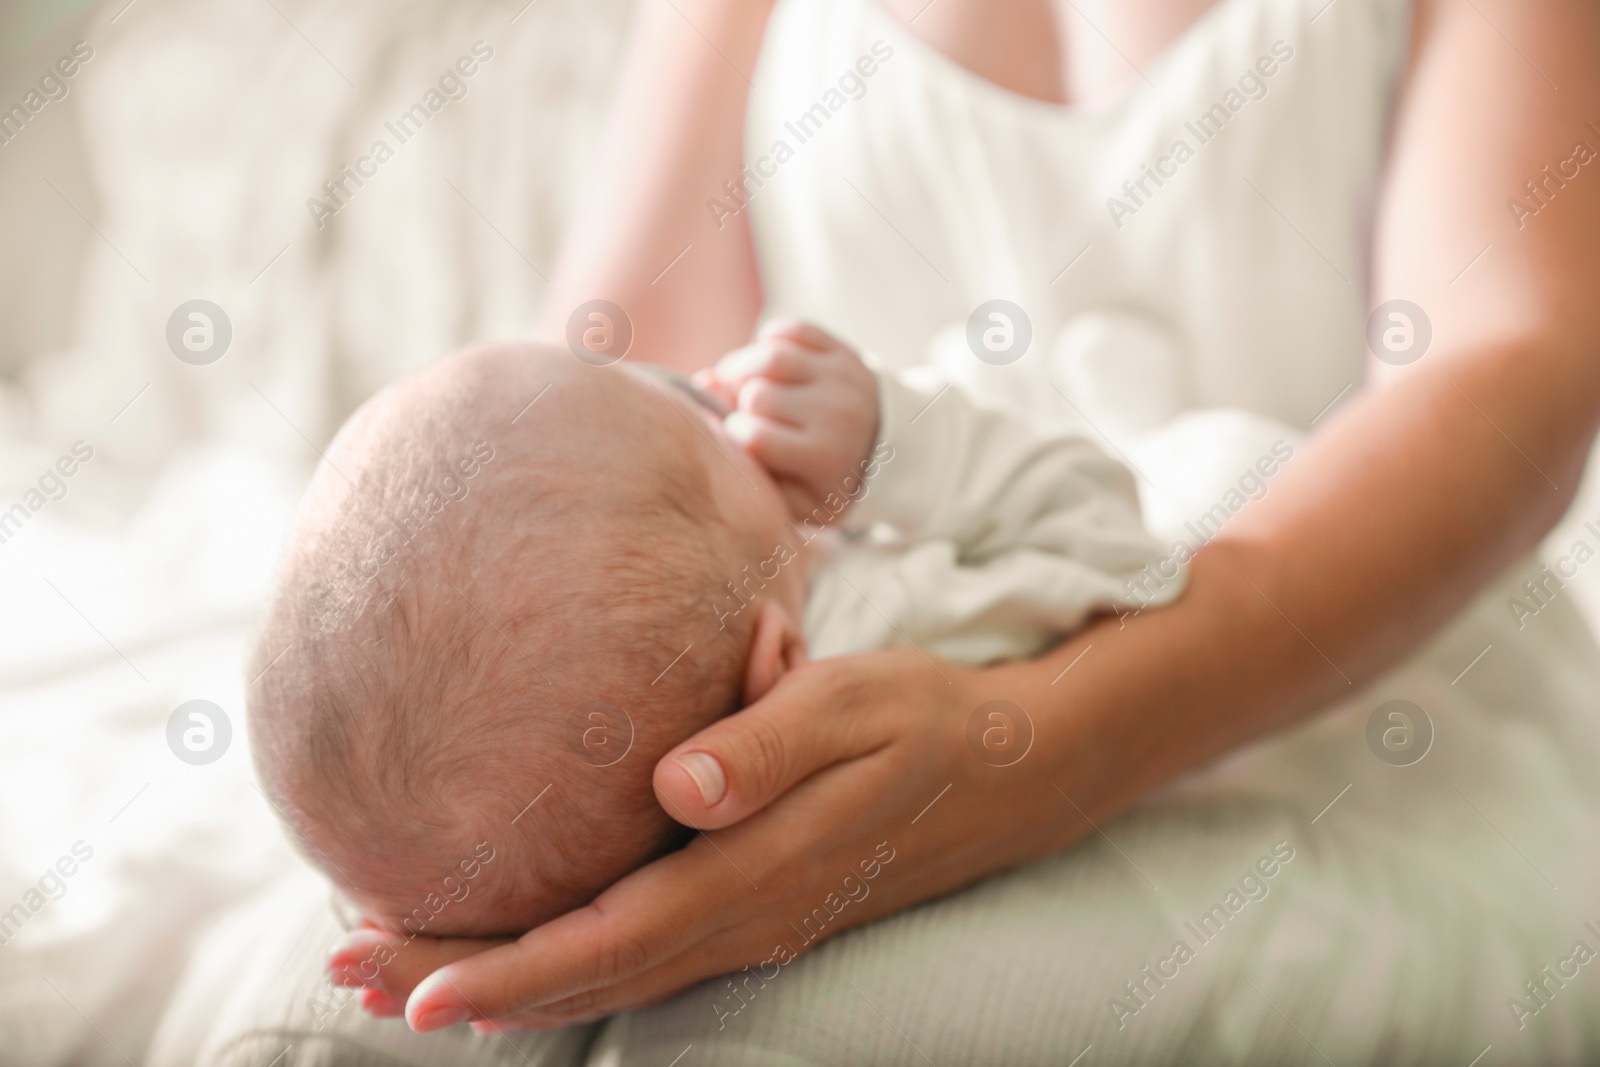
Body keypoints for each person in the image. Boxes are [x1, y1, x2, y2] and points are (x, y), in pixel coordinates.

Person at [328, 0, 1600, 1051]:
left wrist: (1041, 745)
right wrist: (503, 809)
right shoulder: (769, 592)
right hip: (811, 679)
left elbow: (1510, 363)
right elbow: (602, 387)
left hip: (1346, 699)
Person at [254, 323, 1177, 944]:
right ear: (776, 670)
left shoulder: (584, 825)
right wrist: (896, 446)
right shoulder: (896, 626)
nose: (715, 398)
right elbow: (1119, 547)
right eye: (699, 427)